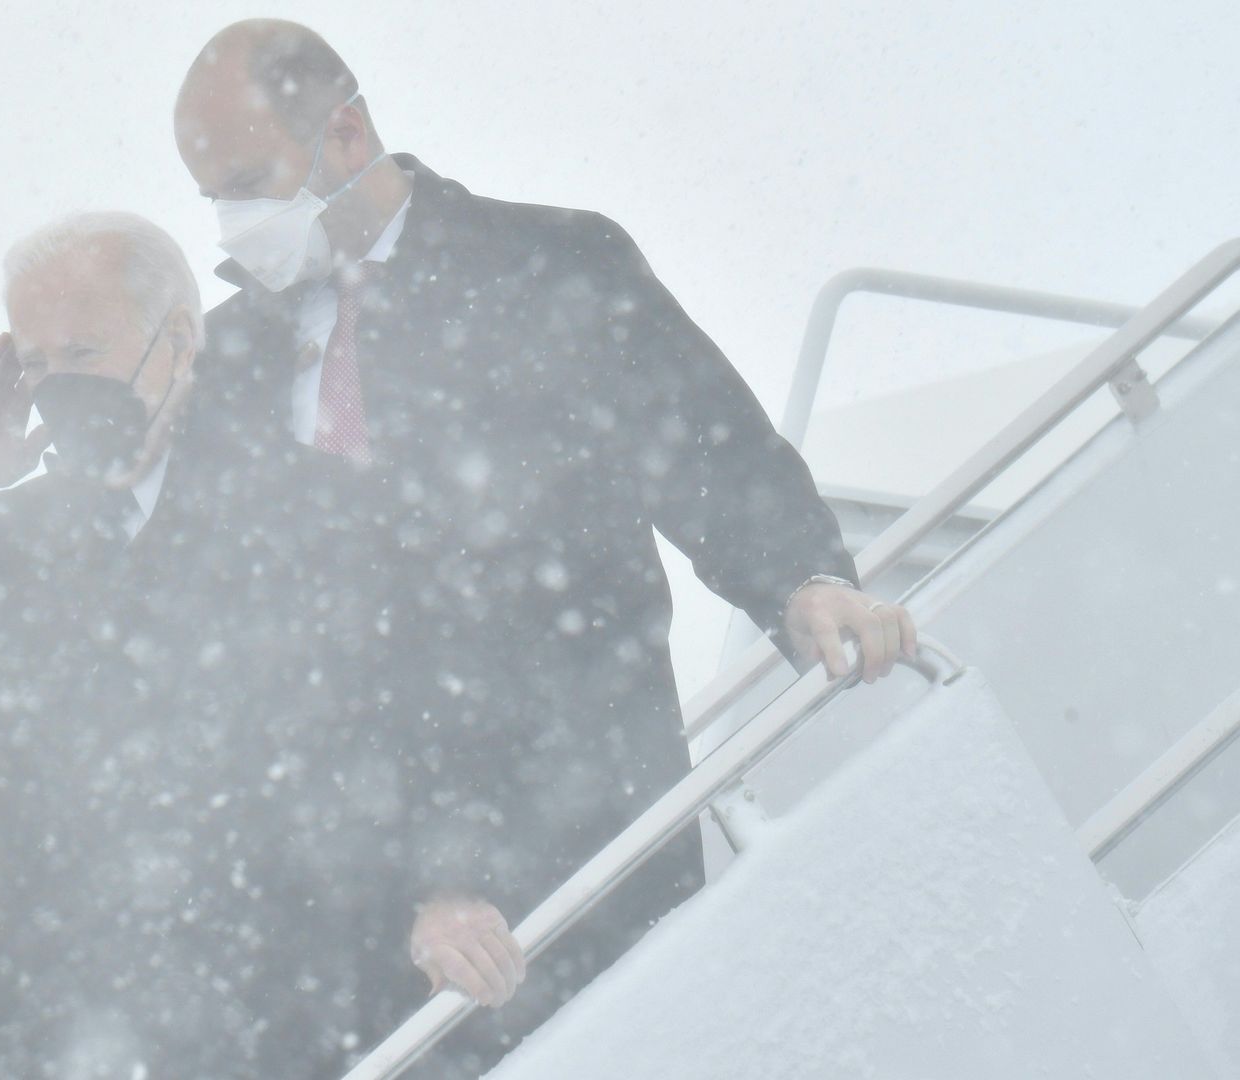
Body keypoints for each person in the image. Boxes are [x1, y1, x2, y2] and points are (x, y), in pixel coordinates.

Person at [173, 19, 919, 1075]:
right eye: (212, 196)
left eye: (248, 181)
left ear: (343, 135)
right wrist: (408, 875)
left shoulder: (547, 264)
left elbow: (705, 446)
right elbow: (260, 650)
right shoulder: (235, 364)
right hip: (360, 907)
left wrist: (804, 581)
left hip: (580, 823)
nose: (232, 223)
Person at [0, 212, 465, 1077]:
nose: (54, 385)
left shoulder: (317, 509)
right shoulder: (6, 549)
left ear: (179, 340)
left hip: (290, 1020)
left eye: (81, 353)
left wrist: (449, 888)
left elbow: (420, 727)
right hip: (68, 1038)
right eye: (35, 364)